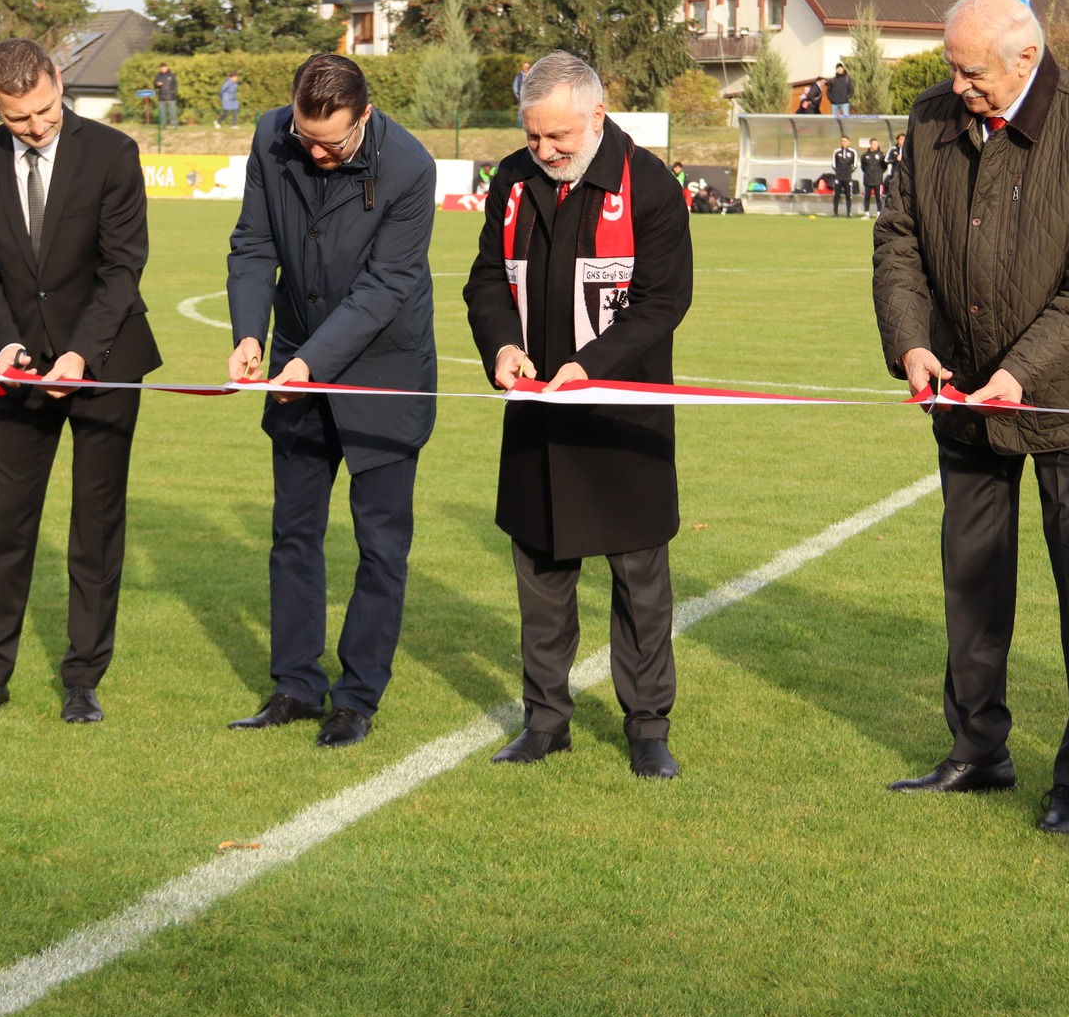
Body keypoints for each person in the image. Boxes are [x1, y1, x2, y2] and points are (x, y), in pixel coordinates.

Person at [872, 0, 1069, 834]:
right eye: (950, 68)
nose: (956, 86)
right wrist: (912, 344)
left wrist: (1023, 371)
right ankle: (977, 748)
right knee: (972, 583)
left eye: (971, 70)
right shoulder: (929, 121)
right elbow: (898, 241)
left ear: (1026, 60)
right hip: (962, 397)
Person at [465, 51, 694, 780]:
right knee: (540, 574)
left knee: (640, 583)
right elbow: (485, 280)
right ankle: (545, 720)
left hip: (624, 420)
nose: (545, 151)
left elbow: (665, 300)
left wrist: (592, 366)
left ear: (598, 114)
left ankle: (648, 726)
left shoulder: (650, 184)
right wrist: (502, 345)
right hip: (536, 418)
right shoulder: (511, 179)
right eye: (534, 136)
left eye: (558, 136)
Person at [224, 54, 438, 748]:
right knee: (293, 533)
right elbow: (254, 245)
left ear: (364, 118)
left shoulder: (410, 166)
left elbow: (386, 286)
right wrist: (250, 335)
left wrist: (314, 361)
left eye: (332, 144)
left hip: (384, 371)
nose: (314, 153)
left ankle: (356, 697)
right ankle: (294, 684)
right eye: (304, 134)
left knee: (380, 546)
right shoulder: (269, 137)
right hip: (293, 361)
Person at [0, 39, 162, 724]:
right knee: (8, 522)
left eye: (45, 109)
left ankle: (82, 678)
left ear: (58, 81)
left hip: (104, 362)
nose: (38, 126)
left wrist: (79, 353)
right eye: (20, 120)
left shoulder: (112, 155)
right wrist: (6, 341)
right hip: (20, 371)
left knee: (95, 524)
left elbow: (122, 266)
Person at [859, 138, 886, 216]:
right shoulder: (864, 155)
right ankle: (866, 212)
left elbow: (884, 166)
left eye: (877, 144)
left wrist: (879, 173)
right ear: (870, 145)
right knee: (867, 197)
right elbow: (863, 167)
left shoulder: (881, 155)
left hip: (878, 180)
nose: (876, 146)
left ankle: (879, 213)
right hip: (867, 179)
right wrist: (868, 173)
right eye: (874, 144)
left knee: (878, 196)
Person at [831, 139, 857, 216]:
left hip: (847, 178)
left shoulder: (852, 152)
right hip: (838, 177)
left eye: (845, 141)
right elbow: (833, 164)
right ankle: (835, 213)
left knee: (848, 195)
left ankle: (848, 213)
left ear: (849, 142)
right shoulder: (836, 152)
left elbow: (855, 165)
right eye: (842, 141)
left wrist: (848, 173)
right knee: (836, 195)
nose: (844, 143)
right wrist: (839, 173)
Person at [154, 63, 180, 129]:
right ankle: (163, 125)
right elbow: (154, 84)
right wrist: (157, 84)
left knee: (172, 112)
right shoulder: (158, 76)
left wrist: (173, 92)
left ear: (167, 67)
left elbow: (176, 85)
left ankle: (174, 125)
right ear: (160, 68)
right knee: (162, 113)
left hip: (171, 97)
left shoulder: (172, 75)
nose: (163, 69)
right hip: (161, 97)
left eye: (164, 67)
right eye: (162, 68)